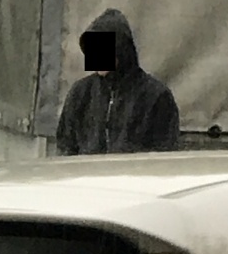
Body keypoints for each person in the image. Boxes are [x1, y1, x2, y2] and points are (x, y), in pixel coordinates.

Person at [56, 8, 181, 155]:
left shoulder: (156, 96)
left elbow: (164, 154)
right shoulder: (80, 93)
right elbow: (65, 148)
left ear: (121, 50)